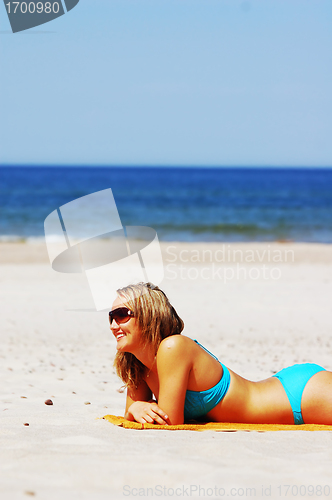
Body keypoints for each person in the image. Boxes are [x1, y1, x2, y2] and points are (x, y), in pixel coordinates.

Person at [111, 282, 332, 426]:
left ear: (150, 315)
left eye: (121, 315)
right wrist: (136, 408)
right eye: (111, 317)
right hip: (284, 389)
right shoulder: (137, 363)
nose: (113, 325)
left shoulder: (173, 347)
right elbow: (136, 412)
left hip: (303, 396)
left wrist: (136, 409)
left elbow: (169, 423)